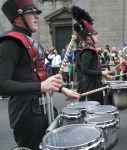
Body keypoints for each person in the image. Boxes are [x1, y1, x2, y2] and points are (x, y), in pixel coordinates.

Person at [0, 0, 80, 150]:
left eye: (36, 12)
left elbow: (41, 76)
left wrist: (62, 89)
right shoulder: (10, 43)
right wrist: (40, 86)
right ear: (18, 18)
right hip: (26, 113)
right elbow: (1, 83)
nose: (37, 16)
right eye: (31, 13)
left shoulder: (31, 41)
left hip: (43, 108)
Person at [71, 6, 111, 105]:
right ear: (89, 37)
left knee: (100, 105)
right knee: (96, 107)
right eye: (95, 34)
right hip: (91, 83)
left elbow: (93, 67)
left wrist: (102, 73)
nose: (97, 36)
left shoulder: (91, 49)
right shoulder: (88, 50)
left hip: (94, 82)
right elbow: (84, 70)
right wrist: (101, 73)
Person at [73, 23, 86, 101]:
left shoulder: (82, 51)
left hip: (83, 74)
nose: (84, 43)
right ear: (79, 43)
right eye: (83, 42)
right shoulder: (78, 52)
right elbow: (78, 63)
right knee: (81, 91)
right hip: (81, 74)